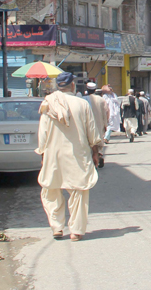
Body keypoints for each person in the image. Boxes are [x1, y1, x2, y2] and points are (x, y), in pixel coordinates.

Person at [36, 72, 101, 241]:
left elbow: (42, 134)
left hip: (53, 153)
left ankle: (57, 227)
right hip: (77, 154)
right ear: (72, 85)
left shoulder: (48, 103)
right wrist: (95, 152)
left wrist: (43, 153)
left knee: (50, 190)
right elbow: (92, 132)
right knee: (79, 191)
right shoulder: (82, 104)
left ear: (59, 86)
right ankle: (76, 231)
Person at [83, 82, 109, 168]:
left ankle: (91, 157)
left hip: (86, 124)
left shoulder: (83, 99)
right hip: (98, 123)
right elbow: (105, 112)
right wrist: (105, 124)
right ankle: (99, 154)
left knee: (88, 140)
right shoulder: (101, 100)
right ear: (95, 90)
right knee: (98, 139)